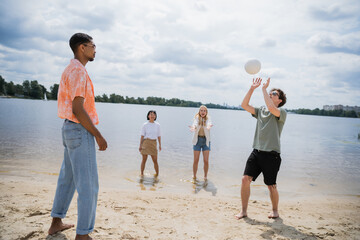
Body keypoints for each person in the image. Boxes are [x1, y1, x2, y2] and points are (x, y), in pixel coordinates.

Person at [48, 33, 107, 240]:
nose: (95, 49)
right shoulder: (79, 72)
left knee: (68, 178)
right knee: (88, 185)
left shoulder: (68, 69)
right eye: (93, 45)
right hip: (79, 130)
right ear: (82, 47)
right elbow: (78, 109)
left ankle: (56, 223)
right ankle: (83, 235)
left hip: (68, 129)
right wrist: (98, 135)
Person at [235, 77, 287, 220]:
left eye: (274, 93)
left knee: (271, 186)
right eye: (270, 92)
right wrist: (252, 88)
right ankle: (244, 211)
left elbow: (271, 108)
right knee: (245, 179)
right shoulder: (261, 111)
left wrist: (263, 89)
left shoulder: (281, 112)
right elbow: (244, 105)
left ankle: (275, 211)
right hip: (256, 151)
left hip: (272, 155)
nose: (271, 94)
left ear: (280, 100)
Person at [189, 105, 213, 181]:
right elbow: (195, 124)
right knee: (196, 160)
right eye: (201, 110)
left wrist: (208, 127)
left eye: (204, 111)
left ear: (206, 112)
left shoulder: (208, 119)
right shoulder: (197, 118)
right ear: (199, 112)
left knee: (206, 160)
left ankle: (205, 176)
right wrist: (193, 128)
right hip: (197, 141)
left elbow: (209, 123)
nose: (203, 112)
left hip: (206, 141)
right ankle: (194, 176)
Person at [139, 110, 162, 177]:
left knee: (155, 160)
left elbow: (159, 135)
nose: (152, 116)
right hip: (146, 142)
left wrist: (160, 145)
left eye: (153, 114)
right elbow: (142, 135)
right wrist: (140, 145)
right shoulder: (145, 125)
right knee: (144, 160)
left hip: (154, 143)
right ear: (148, 116)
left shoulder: (158, 125)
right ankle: (142, 174)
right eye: (151, 114)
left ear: (155, 116)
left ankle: (157, 175)